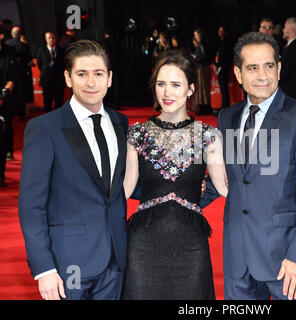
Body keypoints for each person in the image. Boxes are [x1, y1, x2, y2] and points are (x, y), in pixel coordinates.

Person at [200, 32, 296, 300]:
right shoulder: (228, 117)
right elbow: (231, 179)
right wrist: (172, 197)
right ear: (237, 73)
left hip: (285, 260)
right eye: (253, 68)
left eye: (269, 66)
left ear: (279, 69)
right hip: (238, 257)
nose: (262, 75)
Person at [18, 40, 129, 300]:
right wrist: (44, 268)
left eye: (98, 74)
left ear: (109, 78)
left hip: (115, 260)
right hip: (68, 265)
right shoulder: (45, 128)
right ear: (68, 78)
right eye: (82, 74)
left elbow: (118, 183)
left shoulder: (120, 122)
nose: (91, 83)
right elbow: (31, 205)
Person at [121, 50, 227, 299]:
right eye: (161, 84)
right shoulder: (138, 134)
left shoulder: (208, 135)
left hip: (191, 244)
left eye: (175, 84)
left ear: (190, 89)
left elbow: (224, 187)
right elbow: (126, 188)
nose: (167, 93)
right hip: (144, 244)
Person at [0, 21, 15, 187]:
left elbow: (12, 78)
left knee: (2, 137)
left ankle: (1, 174)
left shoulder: (8, 54)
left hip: (4, 100)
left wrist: (4, 94)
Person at [36, 32, 65, 112]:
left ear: (55, 39)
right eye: (49, 38)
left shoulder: (61, 50)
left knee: (59, 101)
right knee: (47, 101)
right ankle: (48, 119)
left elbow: (64, 64)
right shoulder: (41, 50)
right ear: (46, 39)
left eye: (53, 38)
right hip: (46, 81)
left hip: (59, 80)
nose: (51, 40)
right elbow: (39, 64)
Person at [191, 28, 212, 115]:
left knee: (204, 89)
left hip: (203, 69)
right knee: (200, 89)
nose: (195, 37)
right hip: (200, 68)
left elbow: (204, 57)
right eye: (194, 35)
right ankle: (202, 107)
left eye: (196, 35)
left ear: (200, 35)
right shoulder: (200, 45)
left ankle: (205, 108)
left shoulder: (203, 45)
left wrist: (196, 58)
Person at [214, 25, 233, 110]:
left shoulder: (226, 42)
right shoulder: (221, 41)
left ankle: (225, 105)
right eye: (219, 30)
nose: (220, 32)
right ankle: (224, 105)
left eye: (222, 31)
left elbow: (224, 56)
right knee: (223, 88)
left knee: (224, 87)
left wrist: (219, 65)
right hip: (221, 67)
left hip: (224, 67)